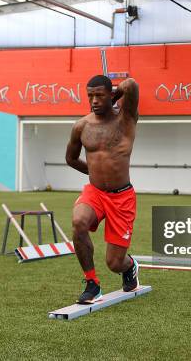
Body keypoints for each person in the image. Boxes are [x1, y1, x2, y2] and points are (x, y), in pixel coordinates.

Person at [65, 75, 140, 304]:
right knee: (78, 221)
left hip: (122, 197)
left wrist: (115, 98)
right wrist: (95, 173)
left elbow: (131, 85)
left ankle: (130, 266)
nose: (94, 100)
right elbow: (71, 159)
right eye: (90, 95)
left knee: (114, 263)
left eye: (99, 95)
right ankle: (92, 283)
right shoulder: (81, 126)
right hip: (95, 192)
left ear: (110, 95)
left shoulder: (126, 119)